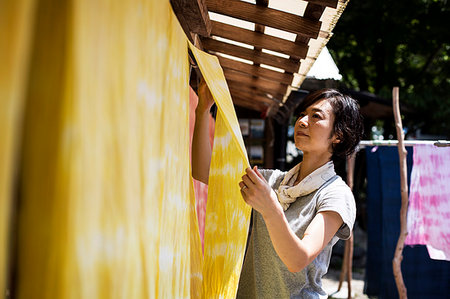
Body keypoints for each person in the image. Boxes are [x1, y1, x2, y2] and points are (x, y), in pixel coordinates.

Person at [192, 80, 364, 299]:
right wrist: (202, 110)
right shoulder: (273, 181)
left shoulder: (335, 194)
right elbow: (202, 171)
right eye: (302, 114)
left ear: (338, 135)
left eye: (316, 116)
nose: (302, 121)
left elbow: (297, 260)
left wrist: (270, 208)